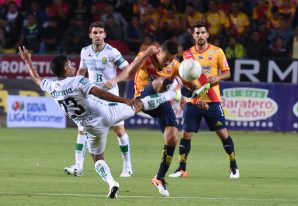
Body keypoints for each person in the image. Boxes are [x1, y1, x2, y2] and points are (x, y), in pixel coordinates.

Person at [18, 46, 181, 199]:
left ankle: (112, 183)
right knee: (140, 104)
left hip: (90, 127)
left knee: (97, 158)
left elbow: (36, 79)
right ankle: (172, 92)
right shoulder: (78, 81)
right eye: (70, 65)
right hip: (107, 114)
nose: (73, 67)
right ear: (67, 69)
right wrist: (124, 100)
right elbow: (100, 93)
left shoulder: (51, 86)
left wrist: (28, 62)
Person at [169, 22, 240, 179]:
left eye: (202, 32)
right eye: (197, 33)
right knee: (185, 134)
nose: (200, 35)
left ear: (207, 34)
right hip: (193, 100)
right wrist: (184, 95)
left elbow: (227, 72)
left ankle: (233, 166)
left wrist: (217, 77)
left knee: (222, 133)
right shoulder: (187, 54)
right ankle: (181, 169)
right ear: (193, 36)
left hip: (213, 100)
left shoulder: (217, 52)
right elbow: (183, 78)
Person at [64, 21, 132, 178]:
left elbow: (127, 69)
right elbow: (81, 70)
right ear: (90, 35)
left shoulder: (112, 52)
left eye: (100, 32)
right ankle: (78, 166)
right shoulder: (85, 51)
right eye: (95, 33)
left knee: (119, 130)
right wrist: (76, 86)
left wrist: (114, 81)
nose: (98, 35)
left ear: (105, 35)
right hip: (92, 96)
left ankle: (127, 165)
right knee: (82, 129)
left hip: (110, 96)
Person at [128, 39, 182, 197]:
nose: (168, 62)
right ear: (159, 52)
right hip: (142, 98)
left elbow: (188, 81)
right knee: (161, 82)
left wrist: (192, 98)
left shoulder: (174, 64)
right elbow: (130, 72)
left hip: (160, 101)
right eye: (166, 58)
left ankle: (159, 178)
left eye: (171, 59)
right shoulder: (146, 56)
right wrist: (145, 54)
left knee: (172, 138)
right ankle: (174, 92)